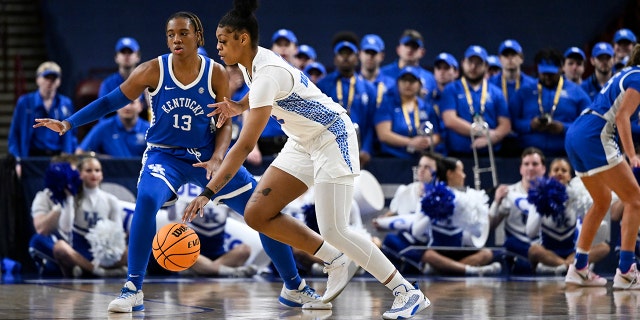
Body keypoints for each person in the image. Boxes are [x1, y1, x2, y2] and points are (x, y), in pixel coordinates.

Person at [35, 11, 336, 313]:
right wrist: (68, 123)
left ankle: (294, 285)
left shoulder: (216, 73)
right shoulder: (152, 70)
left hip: (206, 156)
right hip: (164, 155)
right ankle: (132, 288)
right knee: (147, 200)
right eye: (170, 34)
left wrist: (218, 157)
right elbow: (109, 101)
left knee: (262, 212)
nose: (176, 39)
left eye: (183, 33)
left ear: (198, 37)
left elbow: (225, 121)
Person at [182, 2, 429, 319]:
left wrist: (208, 192)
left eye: (222, 40)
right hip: (303, 141)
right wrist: (238, 106)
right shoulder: (249, 63)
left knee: (335, 228)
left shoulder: (267, 74)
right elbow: (258, 95)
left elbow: (243, 147)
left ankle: (406, 292)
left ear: (242, 39)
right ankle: (334, 260)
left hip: (331, 136)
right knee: (258, 213)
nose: (216, 47)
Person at [564, 44, 640, 289]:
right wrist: (632, 155)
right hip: (595, 135)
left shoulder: (628, 74)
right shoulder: (639, 78)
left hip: (576, 133)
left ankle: (579, 267)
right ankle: (627, 270)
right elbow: (621, 118)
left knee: (602, 200)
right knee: (635, 199)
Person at [383, 156, 500, 276]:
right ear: (450, 173)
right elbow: (416, 231)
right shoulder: (431, 197)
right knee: (428, 255)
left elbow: (477, 233)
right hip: (437, 250)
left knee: (487, 253)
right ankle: (469, 270)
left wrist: (467, 218)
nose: (464, 175)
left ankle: (445, 270)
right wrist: (432, 212)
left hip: (458, 249)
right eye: (461, 171)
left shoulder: (467, 198)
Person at [50, 157, 128, 278]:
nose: (94, 174)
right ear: (80, 174)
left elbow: (118, 233)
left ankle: (85, 269)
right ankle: (100, 271)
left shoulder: (111, 200)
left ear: (102, 174)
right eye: (89, 170)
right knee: (59, 247)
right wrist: (69, 199)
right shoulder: (73, 198)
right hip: (79, 251)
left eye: (97, 170)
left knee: (134, 248)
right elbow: (65, 228)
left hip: (105, 254)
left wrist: (108, 255)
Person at [509, 48, 590, 157]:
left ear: (561, 69)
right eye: (544, 73)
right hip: (528, 154)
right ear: (538, 70)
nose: (547, 77)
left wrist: (563, 128)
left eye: (551, 74)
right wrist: (530, 125)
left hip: (565, 154)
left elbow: (587, 124)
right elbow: (511, 122)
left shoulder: (577, 93)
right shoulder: (524, 92)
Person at [316, 32, 377, 166]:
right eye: (341, 54)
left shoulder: (369, 88)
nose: (345, 58)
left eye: (349, 54)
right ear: (335, 58)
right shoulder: (323, 85)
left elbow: (372, 124)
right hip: (329, 150)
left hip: (360, 152)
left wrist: (366, 149)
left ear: (357, 57)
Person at [439, 45, 511, 158]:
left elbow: (505, 124)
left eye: (478, 63)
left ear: (486, 66)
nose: (473, 67)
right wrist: (483, 133)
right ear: (463, 63)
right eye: (470, 62)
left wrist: (493, 137)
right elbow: (450, 120)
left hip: (490, 154)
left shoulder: (496, 92)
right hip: (458, 155)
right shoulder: (451, 89)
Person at [9, 61, 75, 176]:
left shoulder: (66, 103)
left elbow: (71, 135)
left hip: (57, 157)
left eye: (53, 78)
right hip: (31, 158)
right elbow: (14, 135)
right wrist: (17, 161)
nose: (50, 82)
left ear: (59, 81)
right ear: (37, 79)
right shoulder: (25, 102)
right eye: (46, 77)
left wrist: (69, 160)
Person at [489, 147, 546, 274]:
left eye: (535, 164)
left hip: (544, 247)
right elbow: (490, 226)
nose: (530, 168)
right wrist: (496, 202)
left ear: (543, 169)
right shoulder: (509, 192)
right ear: (520, 168)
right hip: (518, 248)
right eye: (526, 164)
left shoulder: (550, 193)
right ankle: (552, 266)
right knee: (510, 243)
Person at [374, 66, 442, 159]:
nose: (408, 84)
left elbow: (437, 135)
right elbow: (384, 135)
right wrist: (410, 142)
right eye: (404, 80)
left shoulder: (426, 107)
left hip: (420, 158)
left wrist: (428, 141)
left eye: (412, 81)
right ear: (398, 83)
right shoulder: (387, 104)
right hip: (393, 159)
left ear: (419, 84)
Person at [372, 151, 441, 232]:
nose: (421, 170)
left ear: (438, 172)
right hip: (405, 239)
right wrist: (381, 222)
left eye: (427, 167)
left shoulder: (442, 195)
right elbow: (392, 214)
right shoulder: (403, 190)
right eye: (420, 166)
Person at [75, 95, 149, 157]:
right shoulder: (103, 127)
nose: (127, 107)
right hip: (110, 173)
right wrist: (102, 159)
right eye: (122, 102)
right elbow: (80, 153)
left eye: (131, 103)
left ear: (141, 106)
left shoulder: (149, 129)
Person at [380, 29, 437, 98]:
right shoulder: (383, 73)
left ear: (422, 52)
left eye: (414, 46)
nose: (410, 49)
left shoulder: (429, 78)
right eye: (406, 45)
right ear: (398, 49)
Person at [99, 37, 144, 120]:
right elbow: (101, 115)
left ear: (138, 57)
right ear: (116, 57)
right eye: (123, 52)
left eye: (130, 52)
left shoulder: (146, 82)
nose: (126, 56)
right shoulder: (108, 84)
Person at [489, 39, 536, 105]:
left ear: (521, 58)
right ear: (499, 59)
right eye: (506, 55)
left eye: (513, 54)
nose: (510, 58)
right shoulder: (490, 84)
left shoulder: (532, 84)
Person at [359, 34, 395, 106]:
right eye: (367, 52)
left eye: (373, 53)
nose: (370, 56)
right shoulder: (352, 84)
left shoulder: (391, 85)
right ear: (359, 54)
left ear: (382, 56)